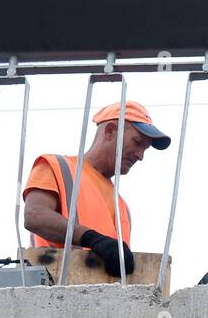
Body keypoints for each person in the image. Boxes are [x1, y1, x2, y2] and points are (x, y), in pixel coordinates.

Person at [22, 100, 170, 275]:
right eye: (137, 142)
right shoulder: (58, 166)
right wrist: (92, 239)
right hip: (55, 292)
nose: (140, 156)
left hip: (101, 298)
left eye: (144, 149)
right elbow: (34, 216)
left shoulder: (121, 206)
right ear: (110, 131)